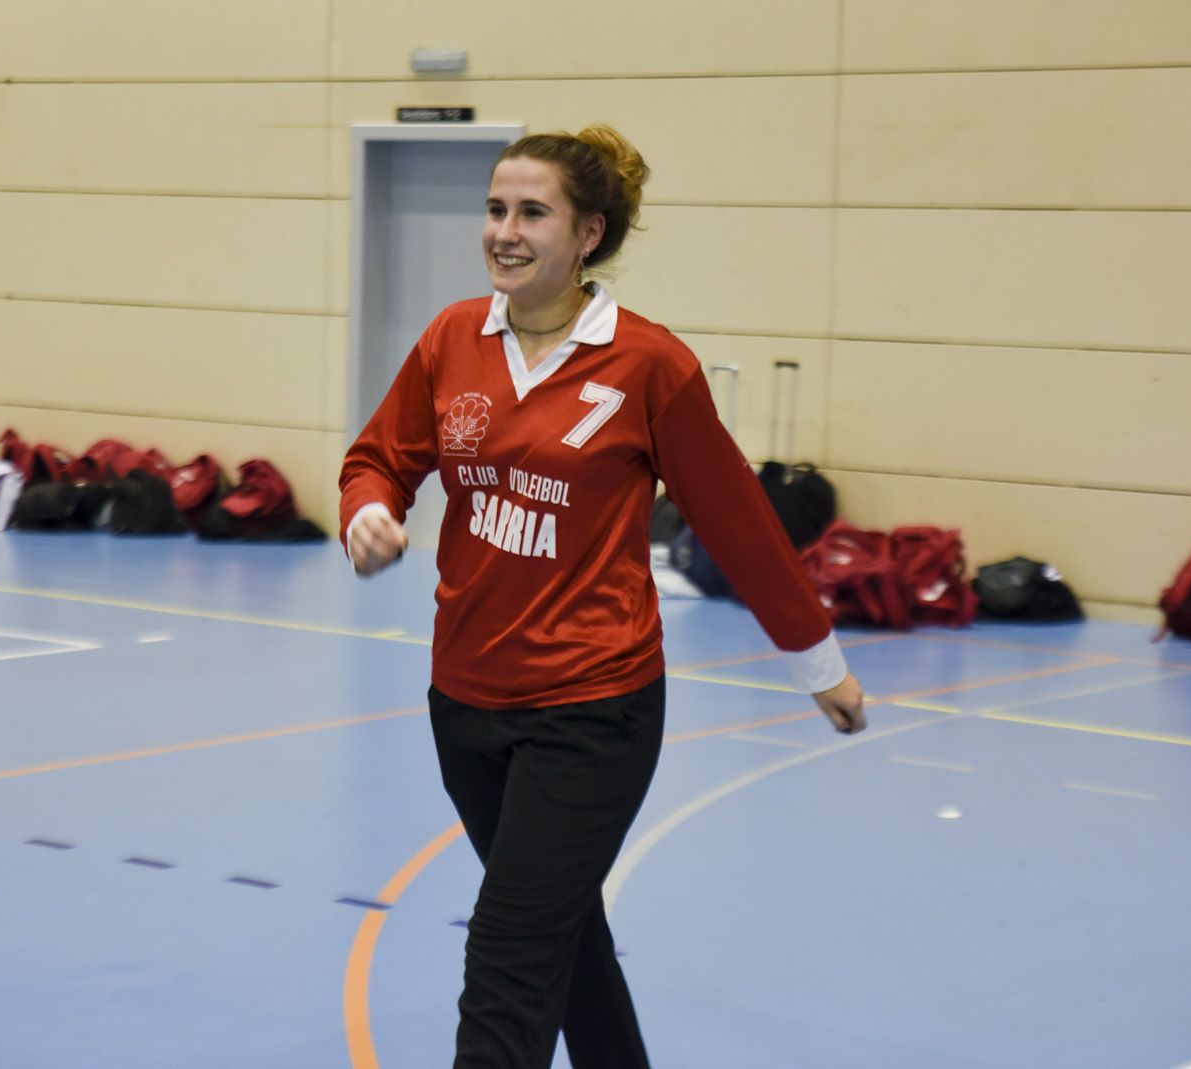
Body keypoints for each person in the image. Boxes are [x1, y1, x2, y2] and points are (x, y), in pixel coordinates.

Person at [339, 124, 866, 1069]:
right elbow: (379, 458)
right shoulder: (451, 339)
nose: (504, 230)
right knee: (562, 936)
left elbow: (740, 522)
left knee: (507, 950)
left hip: (593, 709)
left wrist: (817, 662)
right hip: (464, 703)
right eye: (496, 209)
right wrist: (367, 511)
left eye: (531, 212)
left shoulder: (649, 366)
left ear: (589, 233)